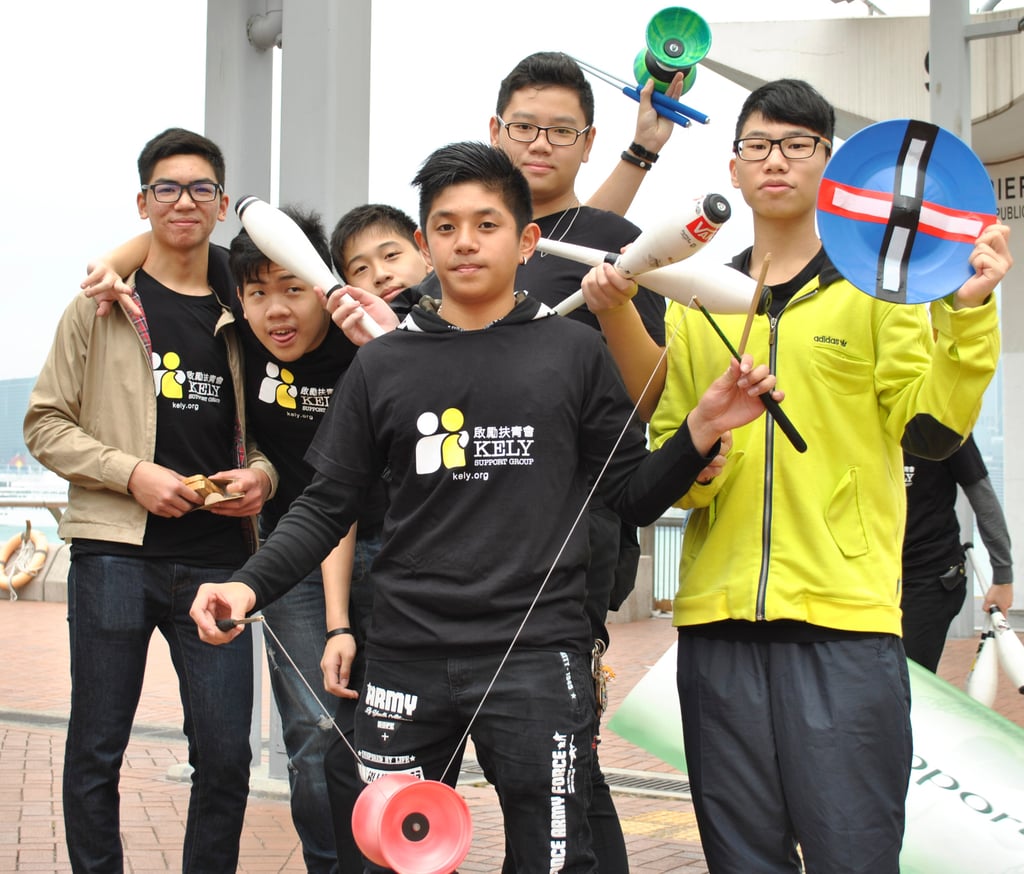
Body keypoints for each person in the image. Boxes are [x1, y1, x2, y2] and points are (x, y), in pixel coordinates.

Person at [190, 140, 781, 873]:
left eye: (486, 224)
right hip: (405, 657)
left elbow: (629, 494)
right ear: (425, 243)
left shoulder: (574, 353)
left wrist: (700, 429)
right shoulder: (381, 365)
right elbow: (326, 505)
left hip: (538, 656)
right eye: (446, 226)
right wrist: (246, 586)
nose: (465, 241)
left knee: (555, 859)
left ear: (527, 241)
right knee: (391, 858)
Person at [579, 79, 1013, 872]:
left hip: (845, 626)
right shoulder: (696, 300)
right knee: (742, 859)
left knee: (854, 852)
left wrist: (969, 315)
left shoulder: (876, 291)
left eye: (798, 144)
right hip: (716, 629)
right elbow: (675, 453)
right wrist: (706, 461)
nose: (775, 160)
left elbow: (931, 429)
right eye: (758, 145)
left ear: (830, 165)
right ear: (734, 168)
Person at [23, 127, 277, 874]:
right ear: (143, 202)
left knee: (226, 755)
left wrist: (260, 478)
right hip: (114, 556)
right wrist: (132, 473)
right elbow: (45, 423)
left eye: (201, 188)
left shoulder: (243, 313)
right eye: (166, 187)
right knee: (96, 748)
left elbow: (264, 433)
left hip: (220, 563)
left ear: (222, 205)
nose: (183, 201)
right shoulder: (100, 307)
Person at [902, 433, 1013, 671]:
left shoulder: (944, 424)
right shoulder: (862, 423)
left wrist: (1003, 578)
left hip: (930, 577)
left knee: (909, 675)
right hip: (876, 578)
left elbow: (983, 498)